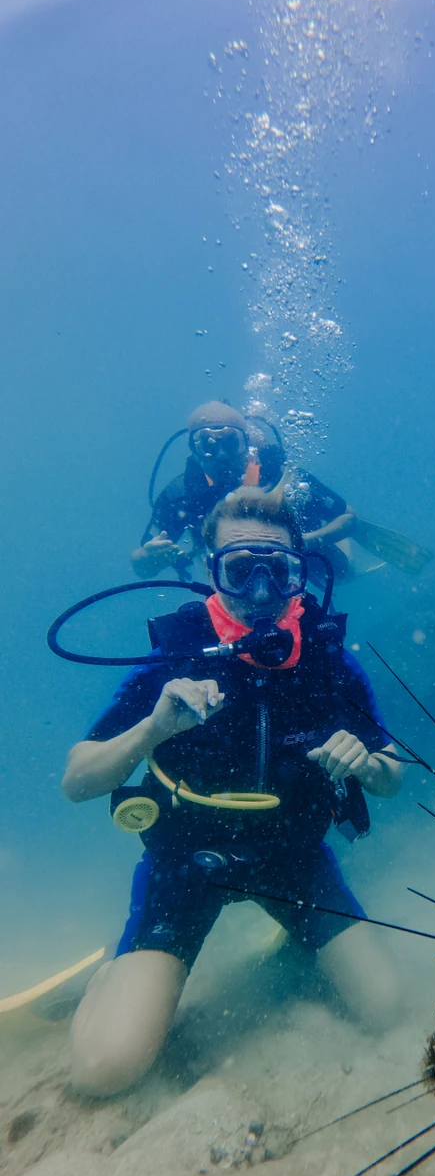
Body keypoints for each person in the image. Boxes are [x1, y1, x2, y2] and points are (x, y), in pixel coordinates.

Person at [65, 485, 402, 1097]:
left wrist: (366, 766)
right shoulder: (174, 659)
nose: (262, 592)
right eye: (241, 571)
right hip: (185, 864)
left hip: (293, 860)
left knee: (386, 1007)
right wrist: (153, 727)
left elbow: (391, 775)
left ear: (301, 573)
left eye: (280, 571)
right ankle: (112, 974)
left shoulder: (328, 662)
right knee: (104, 1070)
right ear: (210, 572)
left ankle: (295, 940)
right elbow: (77, 781)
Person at [132, 400, 356, 581]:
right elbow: (142, 566)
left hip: (294, 553)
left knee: (342, 573)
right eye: (208, 445)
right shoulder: (180, 495)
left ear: (246, 443)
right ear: (194, 449)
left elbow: (349, 517)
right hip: (235, 577)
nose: (221, 455)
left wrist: (307, 540)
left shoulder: (277, 474)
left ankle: (332, 538)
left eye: (231, 442)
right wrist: (149, 559)